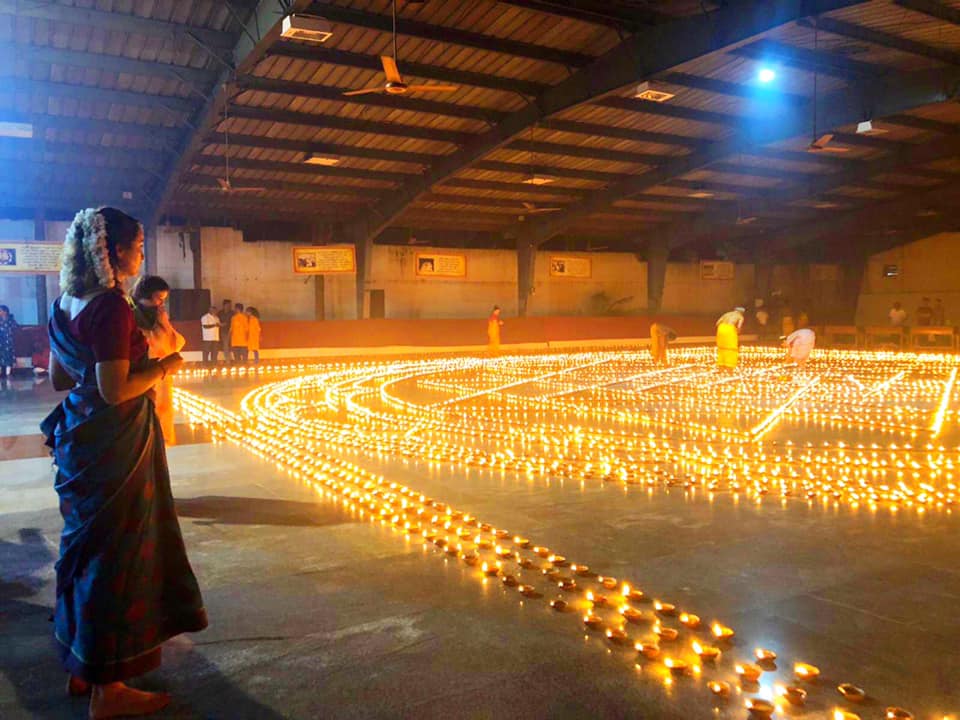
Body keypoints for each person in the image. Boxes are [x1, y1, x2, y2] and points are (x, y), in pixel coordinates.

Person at [41, 207, 206, 719]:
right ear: (110, 251)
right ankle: (108, 691)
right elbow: (117, 392)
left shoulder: (65, 301)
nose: (141, 255)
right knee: (116, 559)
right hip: (115, 448)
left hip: (79, 444)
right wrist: (166, 363)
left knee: (86, 553)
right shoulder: (111, 308)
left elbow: (61, 382)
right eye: (136, 246)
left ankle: (82, 667)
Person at [132, 275, 185, 447]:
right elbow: (157, 344)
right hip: (142, 376)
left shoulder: (158, 315)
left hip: (161, 377)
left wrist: (164, 323)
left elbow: (173, 344)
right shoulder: (130, 314)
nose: (161, 304)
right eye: (159, 298)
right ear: (145, 295)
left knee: (160, 421)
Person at [716, 306, 744, 370]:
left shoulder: (727, 314)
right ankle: (729, 364)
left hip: (721, 328)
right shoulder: (740, 316)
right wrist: (737, 332)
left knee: (722, 347)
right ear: (742, 312)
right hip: (730, 329)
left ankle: (721, 363)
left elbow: (717, 323)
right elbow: (739, 326)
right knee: (731, 347)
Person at [0, 304, 18, 378]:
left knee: (8, 356)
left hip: (8, 341)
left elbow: (15, 327)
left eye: (1, 310)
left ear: (5, 311)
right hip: (1, 341)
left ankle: (8, 373)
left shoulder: (10, 320)